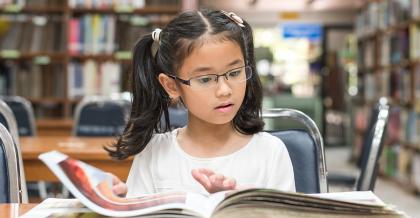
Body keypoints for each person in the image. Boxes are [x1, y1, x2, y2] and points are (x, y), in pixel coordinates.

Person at [106, 9, 295, 197]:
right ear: (171, 86)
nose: (224, 90)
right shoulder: (154, 152)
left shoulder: (270, 152)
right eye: (205, 79)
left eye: (235, 72)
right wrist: (117, 206)